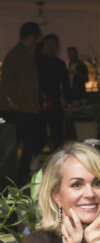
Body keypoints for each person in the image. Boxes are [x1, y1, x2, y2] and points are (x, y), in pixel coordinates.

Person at [0, 22, 42, 186]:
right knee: (14, 147)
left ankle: (19, 178)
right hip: (17, 110)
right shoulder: (17, 54)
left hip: (23, 109)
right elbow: (6, 82)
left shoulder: (22, 53)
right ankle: (15, 180)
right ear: (32, 37)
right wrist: (11, 101)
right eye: (37, 38)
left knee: (28, 143)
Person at [35, 34, 71, 152]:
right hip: (39, 104)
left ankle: (56, 162)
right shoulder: (38, 62)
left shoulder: (60, 64)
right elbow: (33, 83)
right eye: (48, 44)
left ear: (57, 46)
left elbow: (66, 85)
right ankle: (36, 159)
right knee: (39, 134)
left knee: (57, 135)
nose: (51, 47)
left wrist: (69, 104)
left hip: (55, 104)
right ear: (44, 46)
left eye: (53, 44)